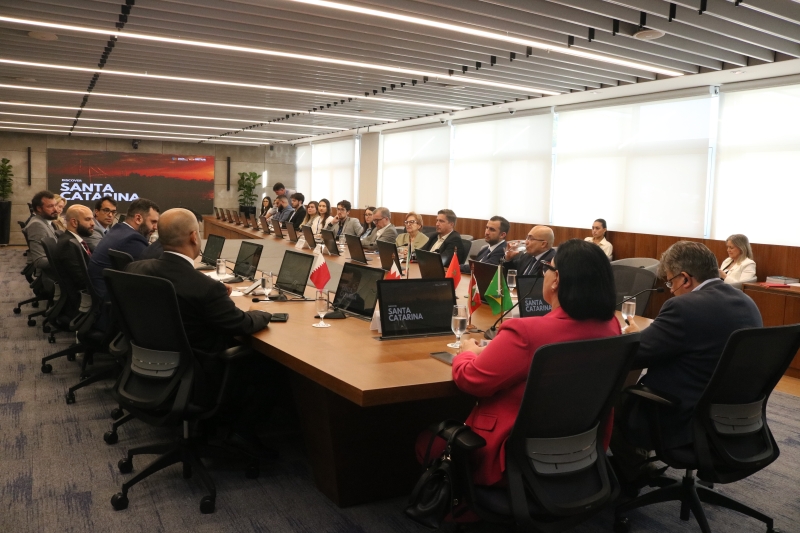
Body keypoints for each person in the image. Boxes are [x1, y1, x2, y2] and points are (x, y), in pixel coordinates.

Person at [436, 239, 621, 487]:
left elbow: (472, 380)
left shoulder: (527, 332)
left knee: (428, 442)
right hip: (580, 445)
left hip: (510, 451)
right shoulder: (612, 326)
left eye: (548, 267)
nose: (544, 273)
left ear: (556, 280)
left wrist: (467, 352)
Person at [125, 208, 281, 455]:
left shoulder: (135, 269)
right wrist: (263, 313)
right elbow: (241, 324)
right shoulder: (204, 288)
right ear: (193, 237)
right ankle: (241, 432)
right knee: (270, 364)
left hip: (149, 367)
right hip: (197, 375)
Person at [611, 241, 762, 486]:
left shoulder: (683, 307)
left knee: (610, 400)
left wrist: (633, 334)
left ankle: (633, 475)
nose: (670, 290)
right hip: (733, 417)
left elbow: (636, 355)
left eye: (670, 282)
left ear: (685, 278)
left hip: (683, 416)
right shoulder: (747, 302)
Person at [88, 198, 160, 301]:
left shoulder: (119, 230)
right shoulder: (132, 239)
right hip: (110, 302)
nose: (156, 227)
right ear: (138, 218)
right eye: (153, 222)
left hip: (102, 295)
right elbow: (150, 272)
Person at [55, 205, 95, 316]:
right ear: (74, 222)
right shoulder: (68, 244)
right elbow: (82, 280)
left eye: (92, 219)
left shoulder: (73, 240)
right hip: (79, 301)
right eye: (88, 219)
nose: (93, 223)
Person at [24, 190, 59, 273]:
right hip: (51, 274)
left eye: (55, 205)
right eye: (50, 206)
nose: (55, 209)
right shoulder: (37, 225)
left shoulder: (45, 221)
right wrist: (66, 262)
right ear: (39, 208)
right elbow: (39, 261)